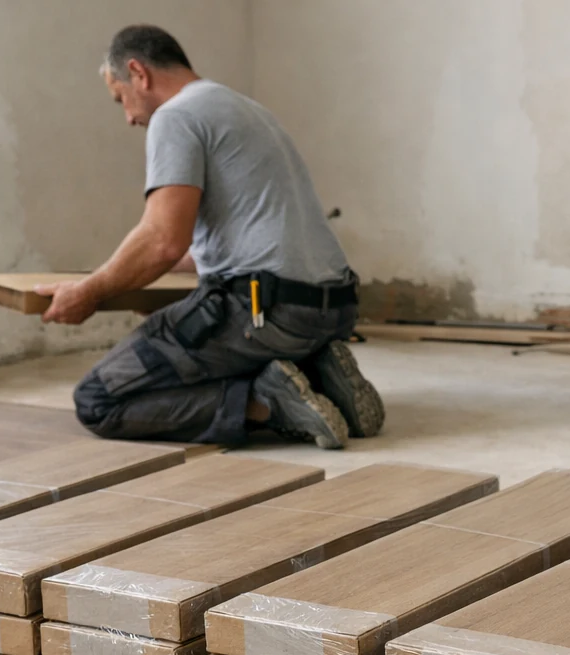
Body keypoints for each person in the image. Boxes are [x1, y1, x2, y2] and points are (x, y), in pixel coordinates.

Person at [39, 25, 383, 450]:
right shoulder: (244, 108)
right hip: (332, 308)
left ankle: (268, 402)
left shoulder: (176, 115)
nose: (129, 118)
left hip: (269, 313)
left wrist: (89, 291)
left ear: (138, 73)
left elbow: (163, 241)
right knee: (177, 332)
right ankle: (317, 372)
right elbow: (206, 247)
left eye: (120, 98)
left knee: (99, 399)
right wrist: (113, 275)